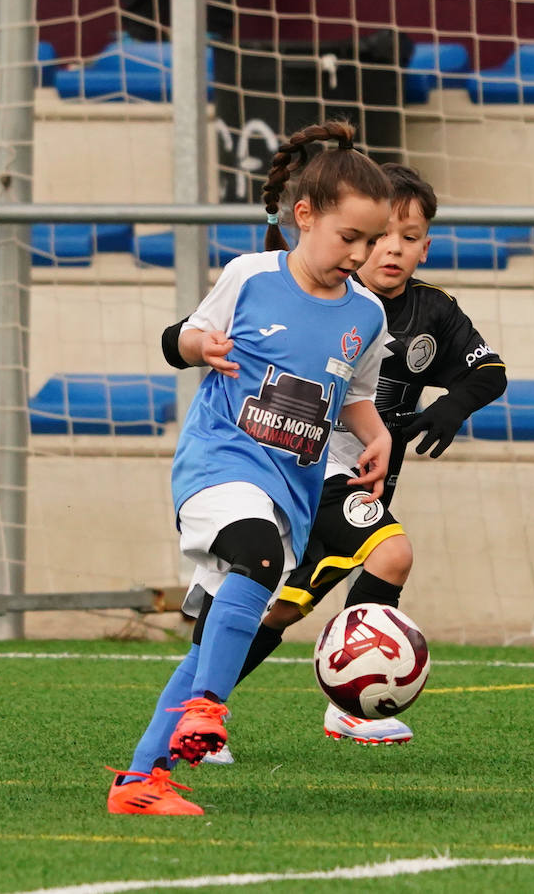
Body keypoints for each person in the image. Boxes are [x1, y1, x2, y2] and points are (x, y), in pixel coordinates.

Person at [162, 164, 507, 759]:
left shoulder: (403, 313)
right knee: (387, 556)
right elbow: (186, 334)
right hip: (306, 470)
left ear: (427, 246)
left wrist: (444, 410)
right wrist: (197, 344)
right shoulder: (281, 285)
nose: (388, 249)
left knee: (273, 611)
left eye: (407, 236)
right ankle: (344, 706)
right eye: (375, 237)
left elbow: (473, 375)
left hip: (341, 481)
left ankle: (196, 716)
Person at [106, 120, 395, 816]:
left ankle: (141, 783)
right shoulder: (250, 277)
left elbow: (351, 394)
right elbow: (177, 339)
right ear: (304, 217)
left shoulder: (368, 315)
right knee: (258, 560)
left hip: (288, 492)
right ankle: (211, 706)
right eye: (347, 237)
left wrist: (376, 433)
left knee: (218, 633)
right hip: (219, 466)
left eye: (370, 242)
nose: (357, 254)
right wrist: (198, 344)